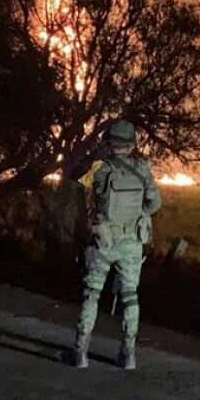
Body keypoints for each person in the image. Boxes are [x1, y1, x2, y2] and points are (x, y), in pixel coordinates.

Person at [71, 120, 162, 370]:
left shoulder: (98, 169)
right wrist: (136, 216)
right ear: (132, 144)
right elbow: (154, 204)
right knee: (130, 297)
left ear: (108, 142)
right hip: (132, 242)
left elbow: (79, 191)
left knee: (91, 294)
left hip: (103, 240)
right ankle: (128, 355)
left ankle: (80, 354)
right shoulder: (142, 169)